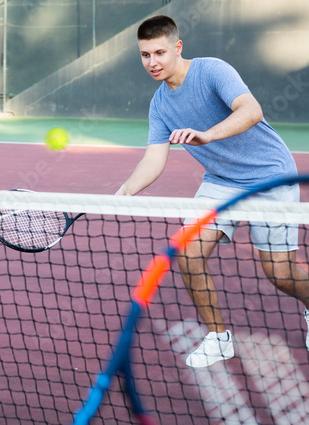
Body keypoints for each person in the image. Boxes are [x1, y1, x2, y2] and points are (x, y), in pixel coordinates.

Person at [116, 15, 309, 368]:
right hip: (221, 181)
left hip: (271, 176)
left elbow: (251, 111)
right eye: (145, 55)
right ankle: (219, 339)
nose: (153, 62)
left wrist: (208, 134)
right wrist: (125, 191)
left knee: (281, 274)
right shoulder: (160, 105)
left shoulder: (212, 71)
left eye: (159, 52)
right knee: (188, 253)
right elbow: (154, 160)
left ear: (177, 47)